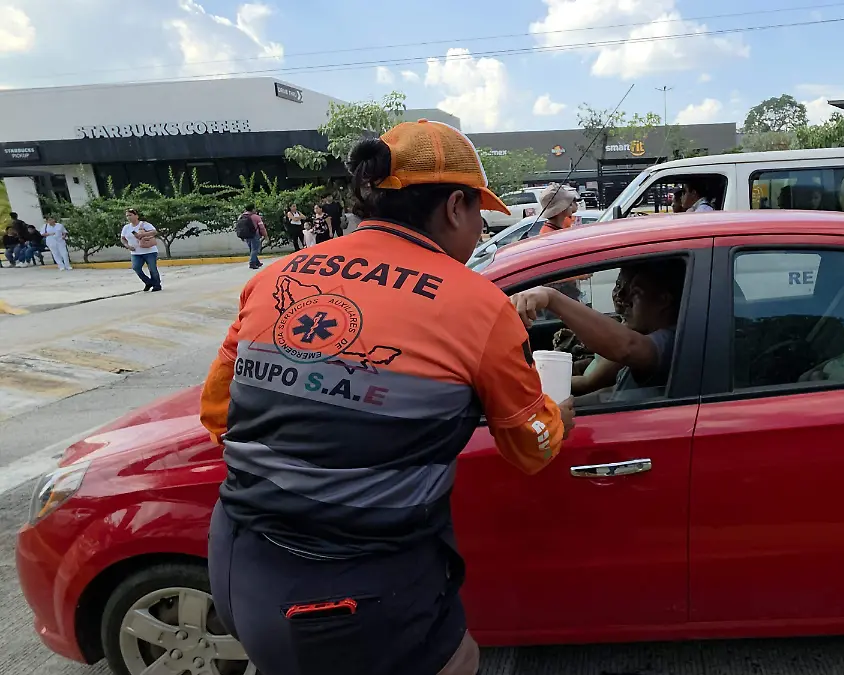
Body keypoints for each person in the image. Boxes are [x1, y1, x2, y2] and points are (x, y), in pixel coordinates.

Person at [201, 119, 574, 675]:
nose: (479, 229)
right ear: (454, 206)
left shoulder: (275, 277)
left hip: (238, 563)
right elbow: (530, 449)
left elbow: (217, 416)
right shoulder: (478, 306)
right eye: (479, 213)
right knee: (461, 661)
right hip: (352, 592)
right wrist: (557, 415)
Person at [512, 259, 685, 404]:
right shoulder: (651, 334)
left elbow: (627, 346)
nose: (624, 300)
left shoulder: (670, 343)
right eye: (620, 288)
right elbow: (614, 392)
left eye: (636, 294)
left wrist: (552, 298)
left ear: (664, 300)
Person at [121, 209, 162, 292]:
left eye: (130, 215)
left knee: (152, 269)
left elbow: (154, 232)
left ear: (136, 216)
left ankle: (157, 285)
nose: (128, 217)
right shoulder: (126, 227)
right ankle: (148, 282)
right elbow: (123, 238)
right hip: (135, 252)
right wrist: (127, 246)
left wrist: (143, 234)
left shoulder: (144, 224)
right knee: (136, 267)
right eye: (127, 216)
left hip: (149, 251)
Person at [238, 205, 267, 269]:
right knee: (255, 249)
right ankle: (252, 263)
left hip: (246, 235)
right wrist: (265, 235)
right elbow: (262, 227)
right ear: (253, 209)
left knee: (252, 249)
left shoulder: (241, 216)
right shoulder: (256, 217)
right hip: (254, 235)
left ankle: (257, 262)